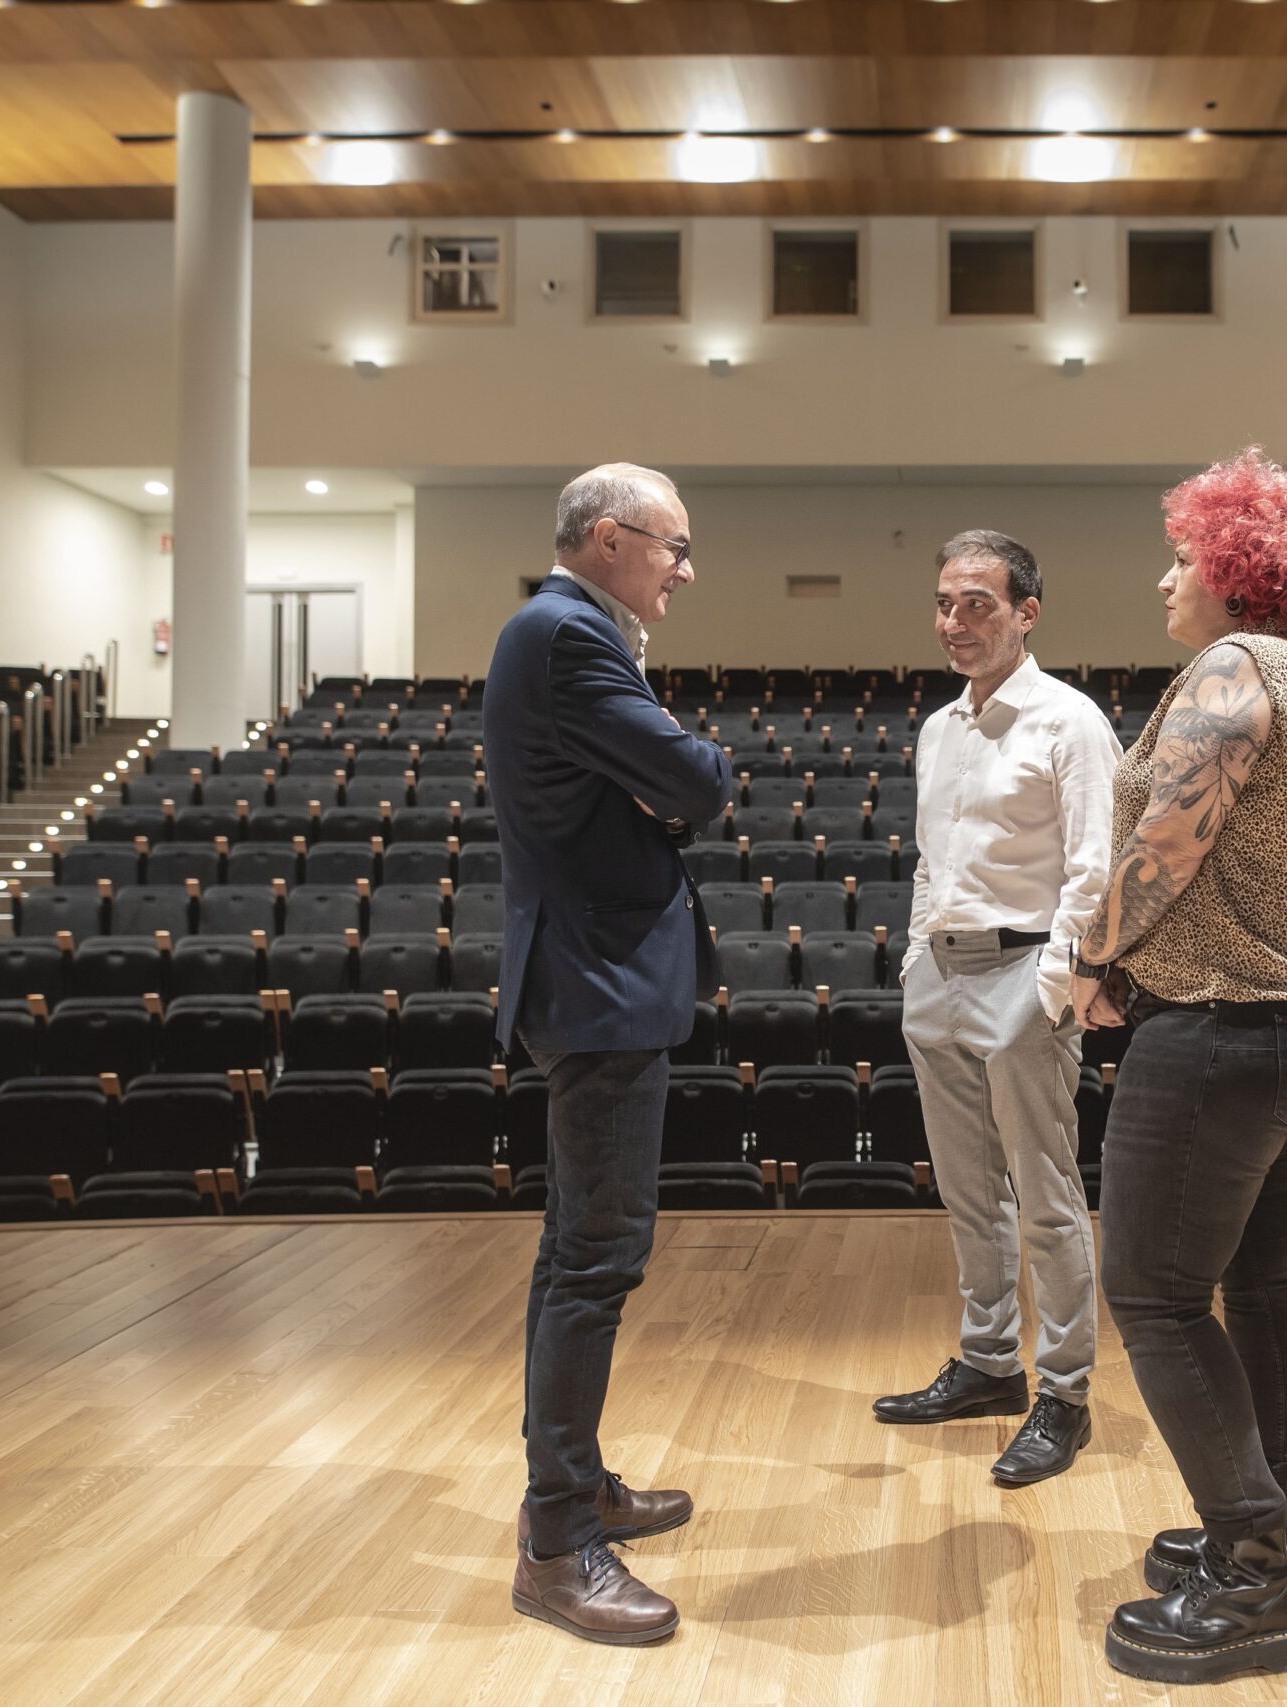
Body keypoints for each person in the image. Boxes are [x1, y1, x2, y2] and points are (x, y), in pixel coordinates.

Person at [1069, 448, 1287, 1686]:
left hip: (1225, 1023)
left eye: (1184, 557)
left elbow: (1167, 840)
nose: (1165, 579)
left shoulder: (1234, 668)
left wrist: (1091, 959)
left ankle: (1251, 1576)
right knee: (1260, 1277)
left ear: (1239, 573)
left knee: (1150, 1292)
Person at [485, 463, 735, 1646]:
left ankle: (574, 1486)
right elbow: (695, 781)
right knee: (595, 1261)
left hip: (589, 976)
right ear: (605, 536)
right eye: (672, 545)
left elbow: (663, 795)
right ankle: (554, 1546)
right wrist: (683, 774)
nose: (685, 568)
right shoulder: (568, 636)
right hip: (597, 981)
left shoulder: (568, 634)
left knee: (572, 1255)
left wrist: (663, 788)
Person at [873, 531, 1118, 1487]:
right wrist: (915, 965)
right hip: (941, 975)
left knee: (1046, 1197)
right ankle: (988, 1364)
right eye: (944, 603)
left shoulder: (1070, 721)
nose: (954, 622)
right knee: (969, 1191)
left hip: (1026, 975)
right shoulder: (939, 728)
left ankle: (1065, 1392)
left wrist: (1053, 987)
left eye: (977, 603)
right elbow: (932, 864)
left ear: (1027, 613)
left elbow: (1094, 869)